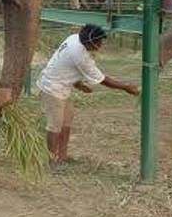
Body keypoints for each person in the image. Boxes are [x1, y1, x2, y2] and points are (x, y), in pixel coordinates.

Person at [37, 24, 140, 171]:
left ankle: (62, 156)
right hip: (52, 89)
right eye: (99, 43)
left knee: (66, 124)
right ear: (90, 42)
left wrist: (78, 84)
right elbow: (103, 79)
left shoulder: (73, 38)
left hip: (62, 87)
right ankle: (52, 162)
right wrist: (126, 88)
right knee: (54, 126)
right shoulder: (80, 56)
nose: (100, 45)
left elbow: (64, 65)